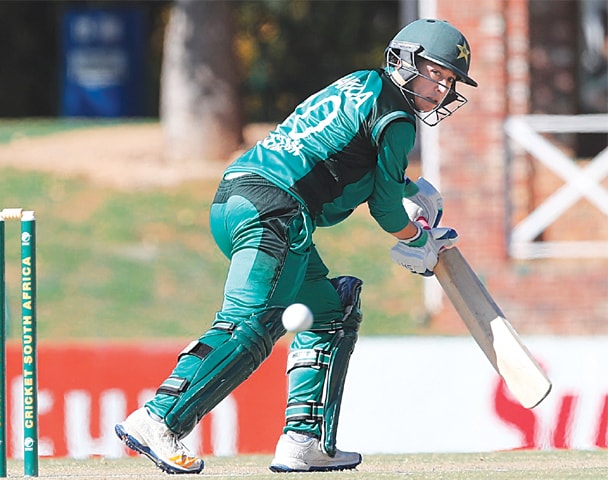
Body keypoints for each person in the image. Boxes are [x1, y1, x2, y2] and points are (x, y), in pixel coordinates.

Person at [114, 18, 477, 474]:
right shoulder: (399, 118)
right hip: (277, 213)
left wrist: (409, 189)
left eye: (449, 81)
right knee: (250, 324)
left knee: (331, 311)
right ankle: (160, 419)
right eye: (435, 72)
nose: (441, 88)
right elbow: (383, 208)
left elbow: (342, 155)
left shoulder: (361, 83)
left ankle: (305, 442)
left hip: (236, 198)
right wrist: (418, 240)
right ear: (405, 60)